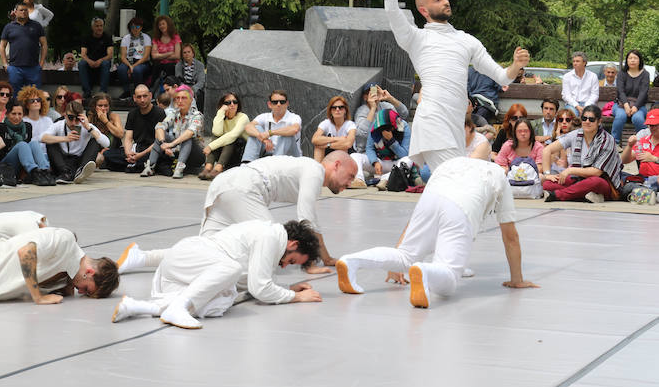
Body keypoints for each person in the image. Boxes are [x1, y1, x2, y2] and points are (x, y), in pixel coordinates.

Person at [381, 0, 528, 173]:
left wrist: (515, 65)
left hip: (455, 127)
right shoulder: (415, 38)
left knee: (448, 189)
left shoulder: (466, 40)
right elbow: (391, 8)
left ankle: (418, 196)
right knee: (459, 180)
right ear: (424, 10)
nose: (445, 1)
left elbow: (502, 77)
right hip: (433, 122)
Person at [335, 157, 538, 308]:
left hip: (430, 199)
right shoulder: (499, 178)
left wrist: (401, 248)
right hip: (462, 206)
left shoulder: (453, 163)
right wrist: (517, 280)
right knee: (448, 279)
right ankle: (425, 271)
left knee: (405, 256)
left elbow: (418, 215)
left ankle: (351, 260)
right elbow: (510, 237)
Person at [118, 151, 358, 275]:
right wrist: (317, 260)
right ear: (336, 165)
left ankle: (141, 257)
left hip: (226, 185)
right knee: (271, 238)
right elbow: (307, 220)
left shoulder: (308, 169)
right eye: (349, 176)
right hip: (245, 188)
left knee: (203, 251)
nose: (348, 184)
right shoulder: (315, 170)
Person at [111, 220, 322, 330]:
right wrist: (296, 297)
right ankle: (178, 307)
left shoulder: (271, 237)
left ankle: (136, 307)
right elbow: (259, 288)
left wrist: (285, 290)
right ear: (293, 244)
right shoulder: (270, 237)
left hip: (185, 273)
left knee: (220, 302)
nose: (285, 266)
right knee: (232, 270)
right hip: (187, 259)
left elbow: (255, 283)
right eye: (291, 261)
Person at [541, 104, 621, 203]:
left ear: (599, 122)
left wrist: (570, 170)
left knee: (595, 182)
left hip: (603, 183)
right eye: (584, 118)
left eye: (591, 119)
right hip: (578, 180)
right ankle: (585, 196)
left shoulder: (607, 140)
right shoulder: (575, 135)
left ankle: (558, 195)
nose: (587, 122)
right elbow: (546, 150)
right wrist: (547, 174)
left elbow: (597, 172)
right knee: (548, 184)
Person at [140, 85, 204, 179]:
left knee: (187, 137)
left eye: (184, 98)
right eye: (177, 98)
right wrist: (163, 143)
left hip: (196, 155)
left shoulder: (197, 115)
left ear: (191, 100)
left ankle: (179, 168)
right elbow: (160, 126)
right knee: (162, 133)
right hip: (178, 150)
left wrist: (170, 145)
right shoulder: (174, 113)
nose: (180, 101)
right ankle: (150, 166)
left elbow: (190, 132)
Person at [41, 99, 107, 184]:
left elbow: (106, 143)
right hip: (61, 161)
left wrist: (89, 128)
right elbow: (43, 138)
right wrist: (65, 138)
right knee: (50, 141)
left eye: (77, 119)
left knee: (95, 140)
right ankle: (65, 173)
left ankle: (82, 170)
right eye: (70, 118)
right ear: (65, 115)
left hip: (78, 160)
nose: (73, 122)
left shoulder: (87, 126)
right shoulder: (59, 125)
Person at [104, 84, 165, 172]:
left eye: (145, 96)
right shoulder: (132, 114)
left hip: (151, 149)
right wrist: (128, 153)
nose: (142, 100)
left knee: (158, 157)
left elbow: (158, 141)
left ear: (150, 96)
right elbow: (128, 138)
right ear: (134, 98)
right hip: (136, 148)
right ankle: (136, 165)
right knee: (108, 154)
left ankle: (134, 165)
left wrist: (140, 155)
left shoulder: (159, 113)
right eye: (139, 97)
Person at [0, 101, 55, 186]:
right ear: (7, 114)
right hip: (7, 164)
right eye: (13, 114)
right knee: (22, 144)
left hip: (23, 163)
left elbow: (29, 150)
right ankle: (34, 172)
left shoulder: (27, 126)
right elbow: (0, 153)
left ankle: (44, 172)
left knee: (34, 143)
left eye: (19, 114)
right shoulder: (0, 127)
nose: (17, 117)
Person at [241, 89, 302, 162]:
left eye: (282, 102)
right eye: (275, 102)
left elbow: (294, 129)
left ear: (287, 104)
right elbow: (248, 127)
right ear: (270, 104)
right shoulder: (264, 116)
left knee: (287, 134)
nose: (278, 104)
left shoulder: (294, 117)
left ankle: (275, 165)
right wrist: (263, 138)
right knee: (256, 128)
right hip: (268, 153)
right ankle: (247, 163)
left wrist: (270, 133)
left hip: (291, 156)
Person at [199, 91, 248, 179]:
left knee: (231, 139)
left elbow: (233, 135)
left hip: (239, 153)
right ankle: (208, 167)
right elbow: (217, 132)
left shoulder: (243, 117)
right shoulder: (221, 117)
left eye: (235, 102)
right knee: (217, 136)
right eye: (228, 103)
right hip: (225, 155)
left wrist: (210, 146)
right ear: (223, 105)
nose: (232, 104)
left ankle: (218, 168)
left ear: (238, 104)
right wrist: (221, 111)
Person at [361, 108, 414, 188]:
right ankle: (359, 180)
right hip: (380, 163)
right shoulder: (376, 127)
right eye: (383, 127)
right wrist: (375, 162)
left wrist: (391, 141)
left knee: (409, 159)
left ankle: (384, 180)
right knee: (355, 156)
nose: (386, 129)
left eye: (389, 127)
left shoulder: (404, 127)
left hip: (396, 164)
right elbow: (369, 148)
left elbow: (404, 154)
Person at [0, 3, 47, 93]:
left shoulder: (36, 26)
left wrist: (41, 63)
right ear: (15, 12)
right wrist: (5, 64)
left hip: (33, 68)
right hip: (14, 68)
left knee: (34, 96)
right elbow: (2, 46)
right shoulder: (9, 27)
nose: (24, 12)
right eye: (21, 10)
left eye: (26, 10)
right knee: (15, 96)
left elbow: (44, 44)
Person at [611, 49, 649, 146]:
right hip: (621, 104)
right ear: (627, 60)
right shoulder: (621, 74)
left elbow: (643, 92)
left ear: (640, 60)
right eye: (630, 58)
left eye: (635, 58)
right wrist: (626, 105)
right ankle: (614, 144)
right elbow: (620, 91)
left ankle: (644, 143)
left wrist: (636, 106)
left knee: (638, 118)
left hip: (639, 106)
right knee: (620, 116)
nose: (632, 60)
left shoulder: (645, 74)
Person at [620, 109, 659, 203]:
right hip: (642, 179)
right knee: (619, 175)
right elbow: (624, 160)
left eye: (655, 125)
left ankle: (641, 193)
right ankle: (648, 193)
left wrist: (654, 159)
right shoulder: (643, 140)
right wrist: (629, 146)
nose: (651, 128)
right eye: (650, 125)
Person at [311, 95, 356, 162]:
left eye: (341, 107)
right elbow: (314, 139)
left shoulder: (350, 124)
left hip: (347, 154)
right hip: (329, 151)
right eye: (334, 108)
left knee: (343, 146)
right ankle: (318, 170)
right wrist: (336, 138)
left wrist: (328, 145)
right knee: (318, 147)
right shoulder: (326, 123)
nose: (337, 109)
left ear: (345, 111)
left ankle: (340, 172)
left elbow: (348, 144)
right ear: (330, 111)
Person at [77, 17, 114, 98]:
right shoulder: (86, 37)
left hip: (103, 61)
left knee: (106, 63)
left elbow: (110, 55)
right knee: (81, 64)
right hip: (90, 61)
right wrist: (89, 61)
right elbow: (83, 54)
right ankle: (87, 91)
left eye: (101, 26)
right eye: (97, 26)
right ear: (92, 27)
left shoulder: (107, 37)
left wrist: (100, 60)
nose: (99, 28)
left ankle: (103, 91)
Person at [117, 16, 151, 99]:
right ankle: (126, 91)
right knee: (121, 69)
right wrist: (130, 65)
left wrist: (133, 66)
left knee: (137, 70)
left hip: (142, 62)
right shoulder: (126, 38)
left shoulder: (146, 38)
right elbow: (123, 57)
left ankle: (138, 92)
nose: (135, 29)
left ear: (141, 28)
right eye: (133, 27)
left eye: (138, 27)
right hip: (129, 61)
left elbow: (146, 56)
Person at [87, 93, 124, 167]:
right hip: (96, 150)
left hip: (111, 149)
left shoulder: (113, 116)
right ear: (95, 106)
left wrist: (106, 121)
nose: (103, 108)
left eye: (106, 106)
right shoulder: (90, 116)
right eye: (100, 106)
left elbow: (120, 134)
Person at [18, 85, 53, 157]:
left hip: (48, 155)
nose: (36, 102)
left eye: (38, 100)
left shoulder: (48, 120)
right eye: (32, 101)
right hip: (30, 155)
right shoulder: (22, 121)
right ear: (26, 105)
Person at [561, 51, 599, 116]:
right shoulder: (567, 77)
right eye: (574, 61)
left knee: (589, 116)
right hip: (572, 104)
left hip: (589, 104)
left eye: (578, 61)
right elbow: (566, 95)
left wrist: (586, 106)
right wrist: (577, 106)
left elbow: (595, 95)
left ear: (584, 63)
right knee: (573, 115)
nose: (575, 63)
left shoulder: (593, 76)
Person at [149, 15, 181, 92]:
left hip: (172, 65)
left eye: (163, 24)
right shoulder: (156, 39)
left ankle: (170, 90)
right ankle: (152, 91)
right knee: (156, 66)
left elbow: (177, 55)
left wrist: (160, 55)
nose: (161, 26)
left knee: (169, 67)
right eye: (159, 25)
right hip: (159, 65)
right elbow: (154, 56)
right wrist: (169, 53)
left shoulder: (175, 37)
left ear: (168, 24)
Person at [175, 43, 205, 109]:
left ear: (193, 53)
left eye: (189, 52)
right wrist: (185, 89)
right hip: (183, 87)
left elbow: (201, 81)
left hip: (195, 87)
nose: (187, 54)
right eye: (184, 52)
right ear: (182, 55)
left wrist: (192, 89)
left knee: (200, 95)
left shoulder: (200, 65)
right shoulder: (178, 65)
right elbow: (178, 80)